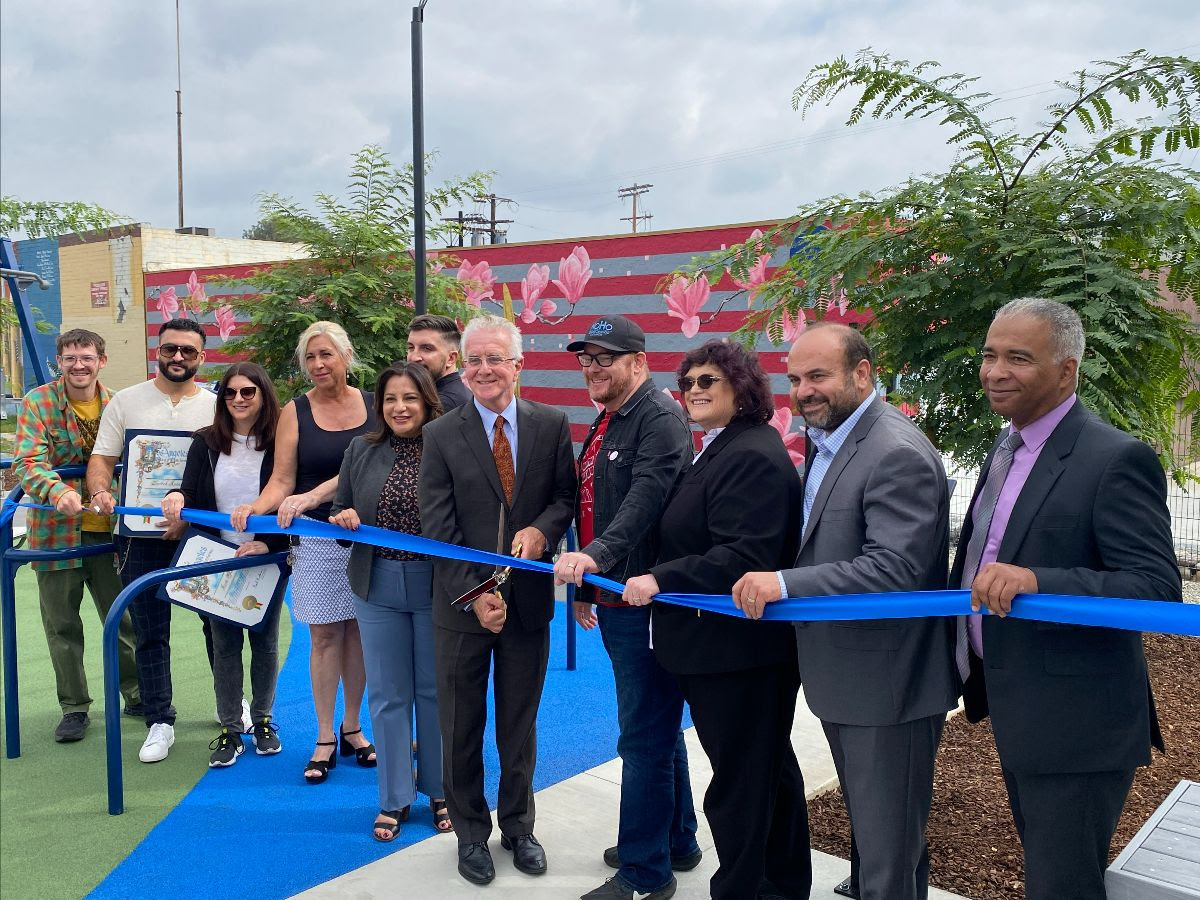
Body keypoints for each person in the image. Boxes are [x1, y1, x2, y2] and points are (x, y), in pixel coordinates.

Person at [951, 298, 1181, 900]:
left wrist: (1038, 580)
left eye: (1018, 358)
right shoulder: (1006, 450)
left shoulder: (1114, 459)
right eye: (990, 355)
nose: (996, 371)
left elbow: (1156, 589)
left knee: (1061, 888)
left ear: (1067, 370)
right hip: (1020, 705)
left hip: (1078, 724)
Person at [733, 323, 956, 900]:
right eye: (795, 379)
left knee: (887, 860)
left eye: (818, 376)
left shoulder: (894, 452)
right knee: (884, 847)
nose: (803, 391)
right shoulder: (832, 438)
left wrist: (784, 582)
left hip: (887, 686)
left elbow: (895, 569)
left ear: (862, 374)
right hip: (848, 677)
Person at [623, 339, 810, 900]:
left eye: (710, 380)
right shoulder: (722, 447)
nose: (695, 390)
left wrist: (663, 578)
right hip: (724, 650)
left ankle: (744, 887)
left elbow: (745, 552)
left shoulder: (750, 453)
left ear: (743, 389)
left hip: (739, 655)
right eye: (689, 382)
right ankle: (778, 884)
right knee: (766, 773)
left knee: (742, 784)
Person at [418, 314, 576, 886]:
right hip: (461, 607)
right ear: (464, 366)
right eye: (475, 359)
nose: (485, 369)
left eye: (496, 358)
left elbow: (565, 498)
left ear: (517, 364)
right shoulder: (440, 434)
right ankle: (469, 834)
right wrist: (478, 593)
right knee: (460, 726)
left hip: (529, 605)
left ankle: (518, 826)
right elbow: (437, 525)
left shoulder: (552, 425)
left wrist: (543, 529)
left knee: (518, 723)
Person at [551, 316, 701, 900]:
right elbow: (593, 501)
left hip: (643, 598)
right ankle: (675, 840)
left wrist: (594, 560)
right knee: (658, 726)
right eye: (585, 358)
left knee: (642, 735)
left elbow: (643, 501)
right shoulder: (611, 416)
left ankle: (645, 873)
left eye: (604, 357)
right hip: (615, 592)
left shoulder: (658, 418)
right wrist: (592, 585)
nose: (592, 367)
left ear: (639, 361)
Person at [234, 321, 378, 783]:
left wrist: (314, 494)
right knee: (324, 636)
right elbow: (281, 479)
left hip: (371, 536)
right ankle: (323, 735)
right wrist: (252, 510)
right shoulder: (296, 412)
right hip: (316, 541)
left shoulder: (376, 405)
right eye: (310, 357)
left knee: (360, 633)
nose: (318, 365)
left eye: (326, 355)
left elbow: (372, 464)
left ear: (346, 356)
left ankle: (353, 726)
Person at [330, 362, 453, 842]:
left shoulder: (449, 448)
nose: (400, 408)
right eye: (390, 399)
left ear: (427, 402)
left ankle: (441, 789)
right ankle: (394, 798)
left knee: (435, 691)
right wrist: (344, 518)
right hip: (375, 583)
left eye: (410, 398)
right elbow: (341, 506)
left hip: (435, 587)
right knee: (387, 695)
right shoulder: (361, 449)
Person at [87, 317, 219, 764]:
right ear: (157, 352)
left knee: (216, 623)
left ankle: (229, 705)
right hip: (138, 537)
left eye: (187, 351)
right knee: (149, 629)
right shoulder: (126, 401)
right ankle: (159, 719)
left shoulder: (217, 407)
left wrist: (190, 516)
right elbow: (102, 459)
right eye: (169, 349)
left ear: (201, 357)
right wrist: (101, 491)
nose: (177, 357)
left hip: (199, 533)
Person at [12, 328, 141, 743]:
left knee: (122, 618)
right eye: (70, 358)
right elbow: (28, 460)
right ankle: (74, 707)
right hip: (55, 534)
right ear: (60, 363)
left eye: (86, 357)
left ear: (101, 360)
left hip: (108, 531)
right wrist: (57, 490)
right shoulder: (39, 402)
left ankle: (136, 693)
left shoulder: (119, 403)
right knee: (62, 625)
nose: (78, 365)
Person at [161, 362, 288, 767]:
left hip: (267, 558)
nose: (238, 399)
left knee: (264, 640)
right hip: (219, 557)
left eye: (247, 392)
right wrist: (178, 495)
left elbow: (288, 496)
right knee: (224, 644)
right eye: (230, 392)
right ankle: (232, 728)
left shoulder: (280, 441)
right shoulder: (207, 442)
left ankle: (264, 720)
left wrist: (265, 544)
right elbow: (192, 493)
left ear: (263, 395)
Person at [406, 313, 470, 411]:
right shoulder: (438, 395)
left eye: (427, 348)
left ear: (451, 358)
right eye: (411, 348)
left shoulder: (443, 404)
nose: (414, 357)